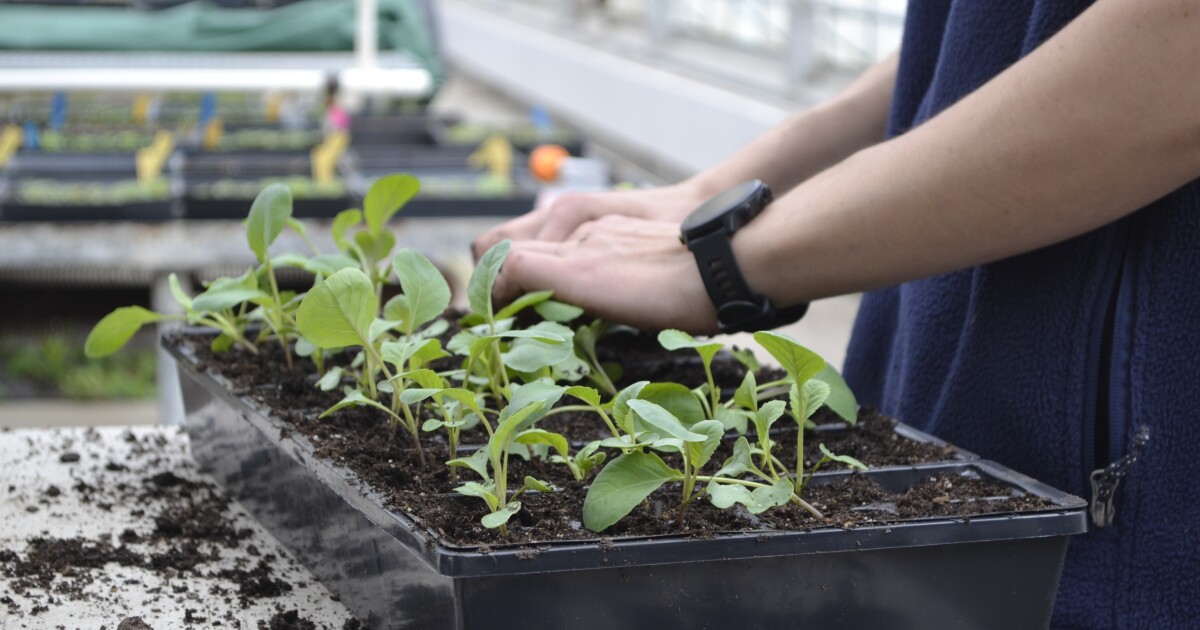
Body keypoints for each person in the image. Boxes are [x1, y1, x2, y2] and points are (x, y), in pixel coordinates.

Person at [473, 1, 1200, 627]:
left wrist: (726, 261)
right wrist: (715, 197)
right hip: (945, 407)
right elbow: (976, 34)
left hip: (1124, 517)